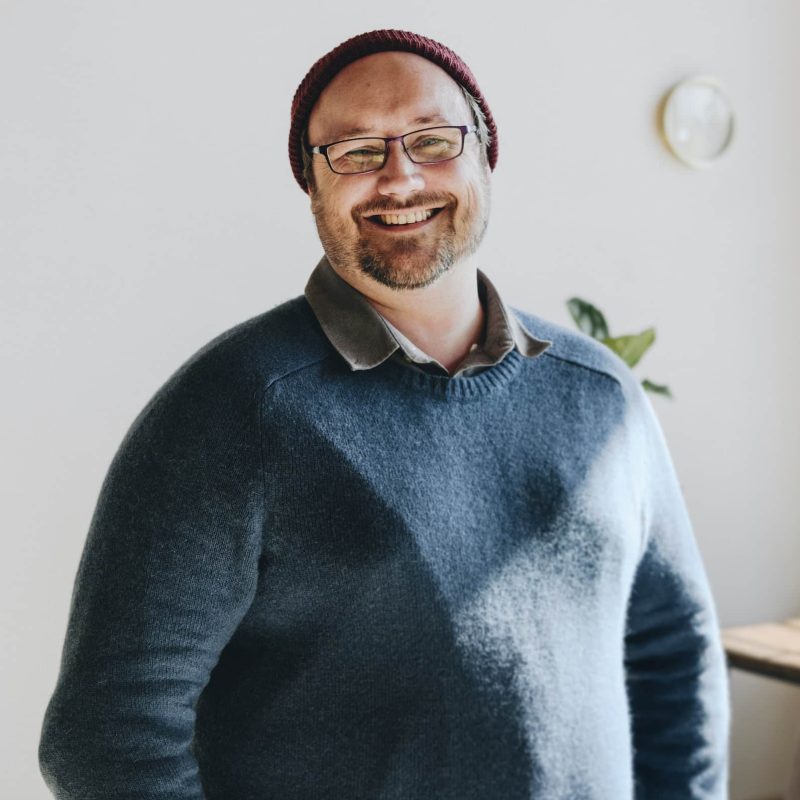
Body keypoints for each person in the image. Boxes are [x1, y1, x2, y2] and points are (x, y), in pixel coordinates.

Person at [38, 28, 730, 799]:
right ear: (311, 184)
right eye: (357, 153)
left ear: (484, 156)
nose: (400, 178)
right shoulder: (233, 410)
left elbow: (675, 654)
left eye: (433, 141)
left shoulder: (600, 397)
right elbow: (105, 735)